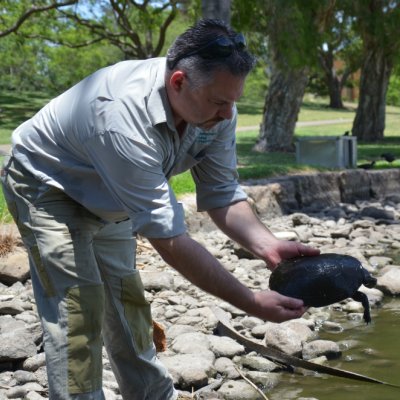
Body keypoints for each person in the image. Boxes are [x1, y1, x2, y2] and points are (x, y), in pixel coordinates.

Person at [1, 18, 319, 400]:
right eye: (220, 102)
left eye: (233, 102)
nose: (228, 115)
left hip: (113, 195)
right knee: (77, 310)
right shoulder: (119, 116)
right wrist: (249, 302)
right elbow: (169, 240)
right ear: (178, 82)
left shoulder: (217, 109)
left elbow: (221, 193)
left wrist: (267, 244)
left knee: (126, 300)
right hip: (48, 185)